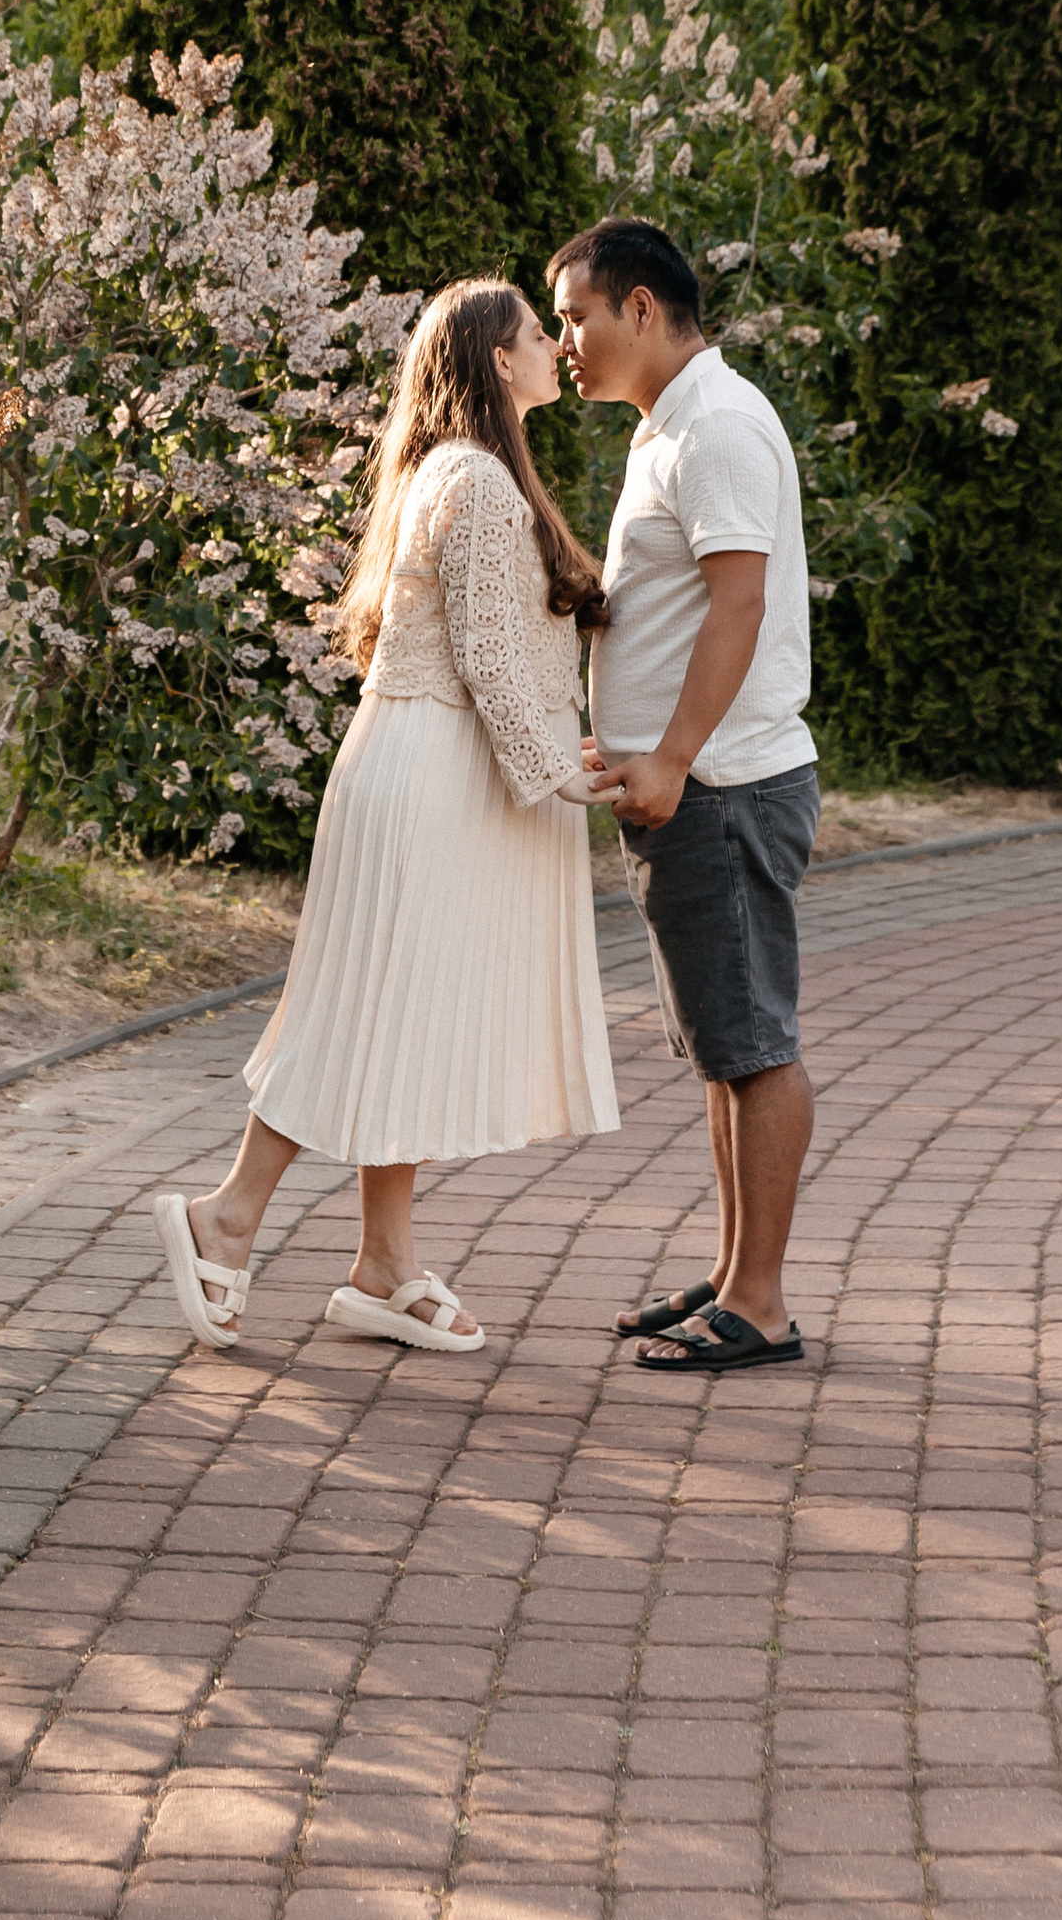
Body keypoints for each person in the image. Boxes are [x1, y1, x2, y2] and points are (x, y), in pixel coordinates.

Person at [151, 276, 618, 1357]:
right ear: (499, 361)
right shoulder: (473, 483)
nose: (555, 349)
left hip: (426, 764)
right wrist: (565, 772)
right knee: (361, 1008)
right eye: (538, 336)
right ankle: (224, 1218)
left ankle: (382, 1263)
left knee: (397, 1011)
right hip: (431, 775)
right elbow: (491, 663)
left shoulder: (462, 474)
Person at [553, 215, 818, 1375]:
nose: (566, 341)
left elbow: (740, 608)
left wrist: (666, 758)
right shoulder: (668, 429)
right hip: (690, 791)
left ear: (641, 310)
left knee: (754, 1043)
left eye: (576, 316)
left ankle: (758, 1301)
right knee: (724, 1044)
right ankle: (729, 1274)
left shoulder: (712, 427)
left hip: (719, 787)